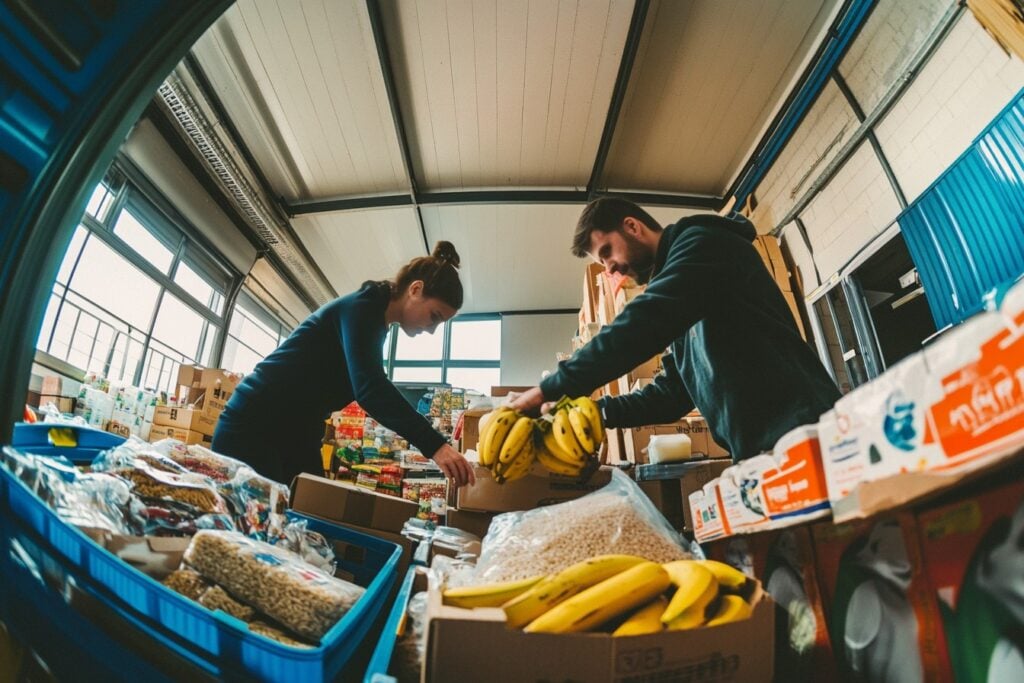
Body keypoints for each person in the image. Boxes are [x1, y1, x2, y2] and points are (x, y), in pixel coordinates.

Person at [508, 197, 840, 461]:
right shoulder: (683, 294)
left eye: (607, 252)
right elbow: (672, 395)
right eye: (602, 263)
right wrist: (594, 412)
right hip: (760, 450)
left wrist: (550, 389)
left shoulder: (703, 244)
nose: (610, 268)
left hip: (805, 431)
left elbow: (645, 322)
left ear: (632, 226)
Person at [212, 241, 476, 488]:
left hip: (294, 431)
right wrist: (435, 445)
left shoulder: (376, 322)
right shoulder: (363, 307)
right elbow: (371, 389)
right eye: (434, 317)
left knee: (310, 511)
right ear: (415, 289)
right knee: (262, 516)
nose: (431, 329)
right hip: (254, 424)